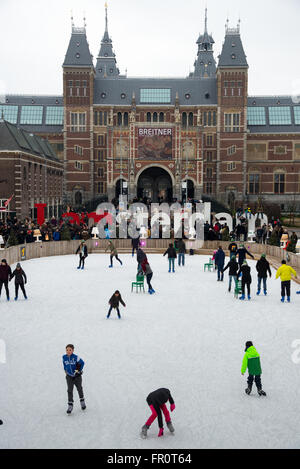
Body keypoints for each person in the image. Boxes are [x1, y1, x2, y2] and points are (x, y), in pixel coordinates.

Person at [62, 344, 86, 414]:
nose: (68, 351)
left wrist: (78, 370)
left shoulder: (76, 357)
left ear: (73, 350)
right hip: (69, 376)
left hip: (77, 377)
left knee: (79, 388)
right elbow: (64, 364)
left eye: (70, 350)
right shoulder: (64, 357)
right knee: (69, 390)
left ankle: (82, 401)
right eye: (67, 350)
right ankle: (70, 405)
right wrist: (65, 371)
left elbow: (82, 363)